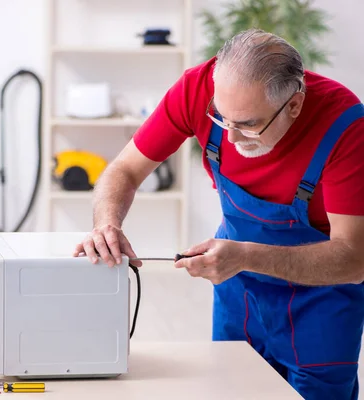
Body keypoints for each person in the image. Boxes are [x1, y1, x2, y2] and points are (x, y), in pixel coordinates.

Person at [73, 28, 364, 400]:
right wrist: (106, 224)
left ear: (293, 105)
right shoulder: (197, 89)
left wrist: (244, 255)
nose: (230, 137)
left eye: (247, 124)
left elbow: (353, 259)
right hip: (238, 294)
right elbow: (125, 170)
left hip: (322, 303)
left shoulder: (345, 126)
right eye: (221, 118)